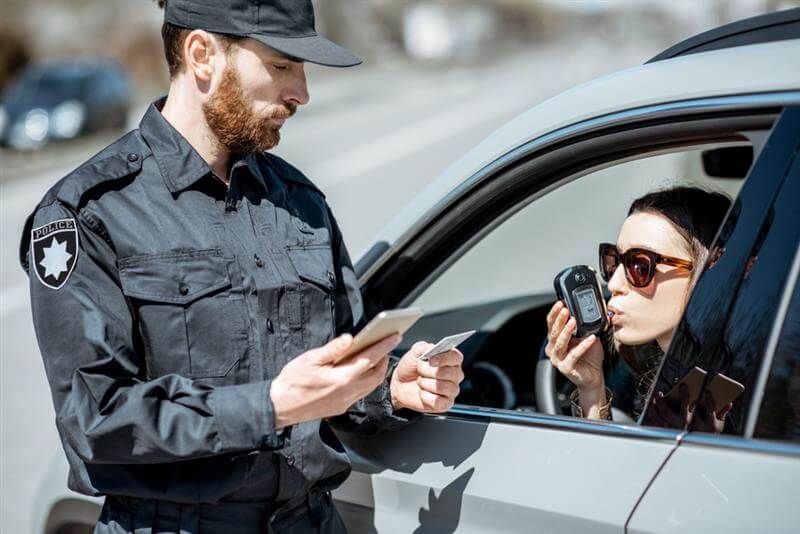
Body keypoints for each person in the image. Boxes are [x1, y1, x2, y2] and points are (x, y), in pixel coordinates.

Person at [19, 1, 464, 532]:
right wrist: (270, 406)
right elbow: (96, 419)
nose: (302, 92)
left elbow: (328, 371)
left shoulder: (300, 202)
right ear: (202, 54)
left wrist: (387, 388)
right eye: (281, 65)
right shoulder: (90, 213)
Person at [544, 186, 731, 425]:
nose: (613, 284)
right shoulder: (685, 382)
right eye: (614, 262)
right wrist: (591, 389)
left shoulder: (737, 393)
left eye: (639, 266)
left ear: (710, 271)